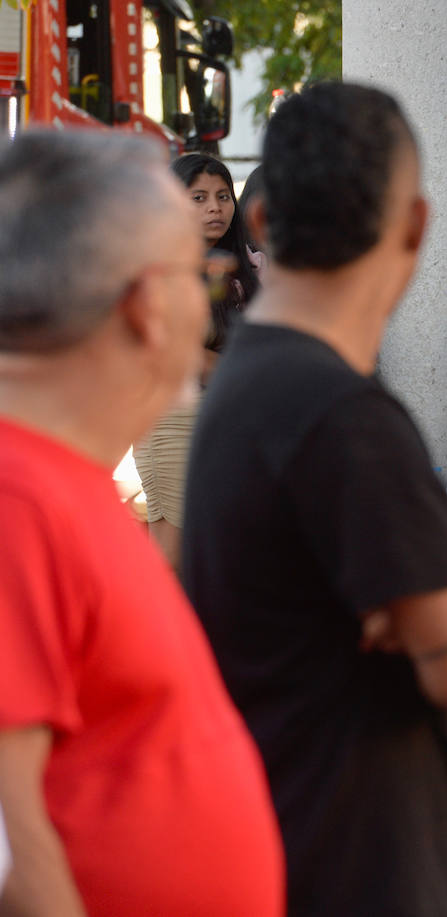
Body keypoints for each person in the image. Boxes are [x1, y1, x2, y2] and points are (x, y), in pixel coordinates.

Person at [182, 82, 447, 917]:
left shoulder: (249, 377)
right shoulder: (341, 415)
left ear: (258, 222)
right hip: (356, 869)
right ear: (414, 227)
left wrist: (427, 585)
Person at [0, 132, 283, 916]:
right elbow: (16, 850)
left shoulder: (63, 486)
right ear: (138, 300)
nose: (211, 293)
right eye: (201, 277)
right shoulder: (19, 501)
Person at [133, 152, 259, 572]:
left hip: (233, 424)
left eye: (224, 196)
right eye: (199, 197)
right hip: (175, 423)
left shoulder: (247, 269)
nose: (215, 207)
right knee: (171, 568)